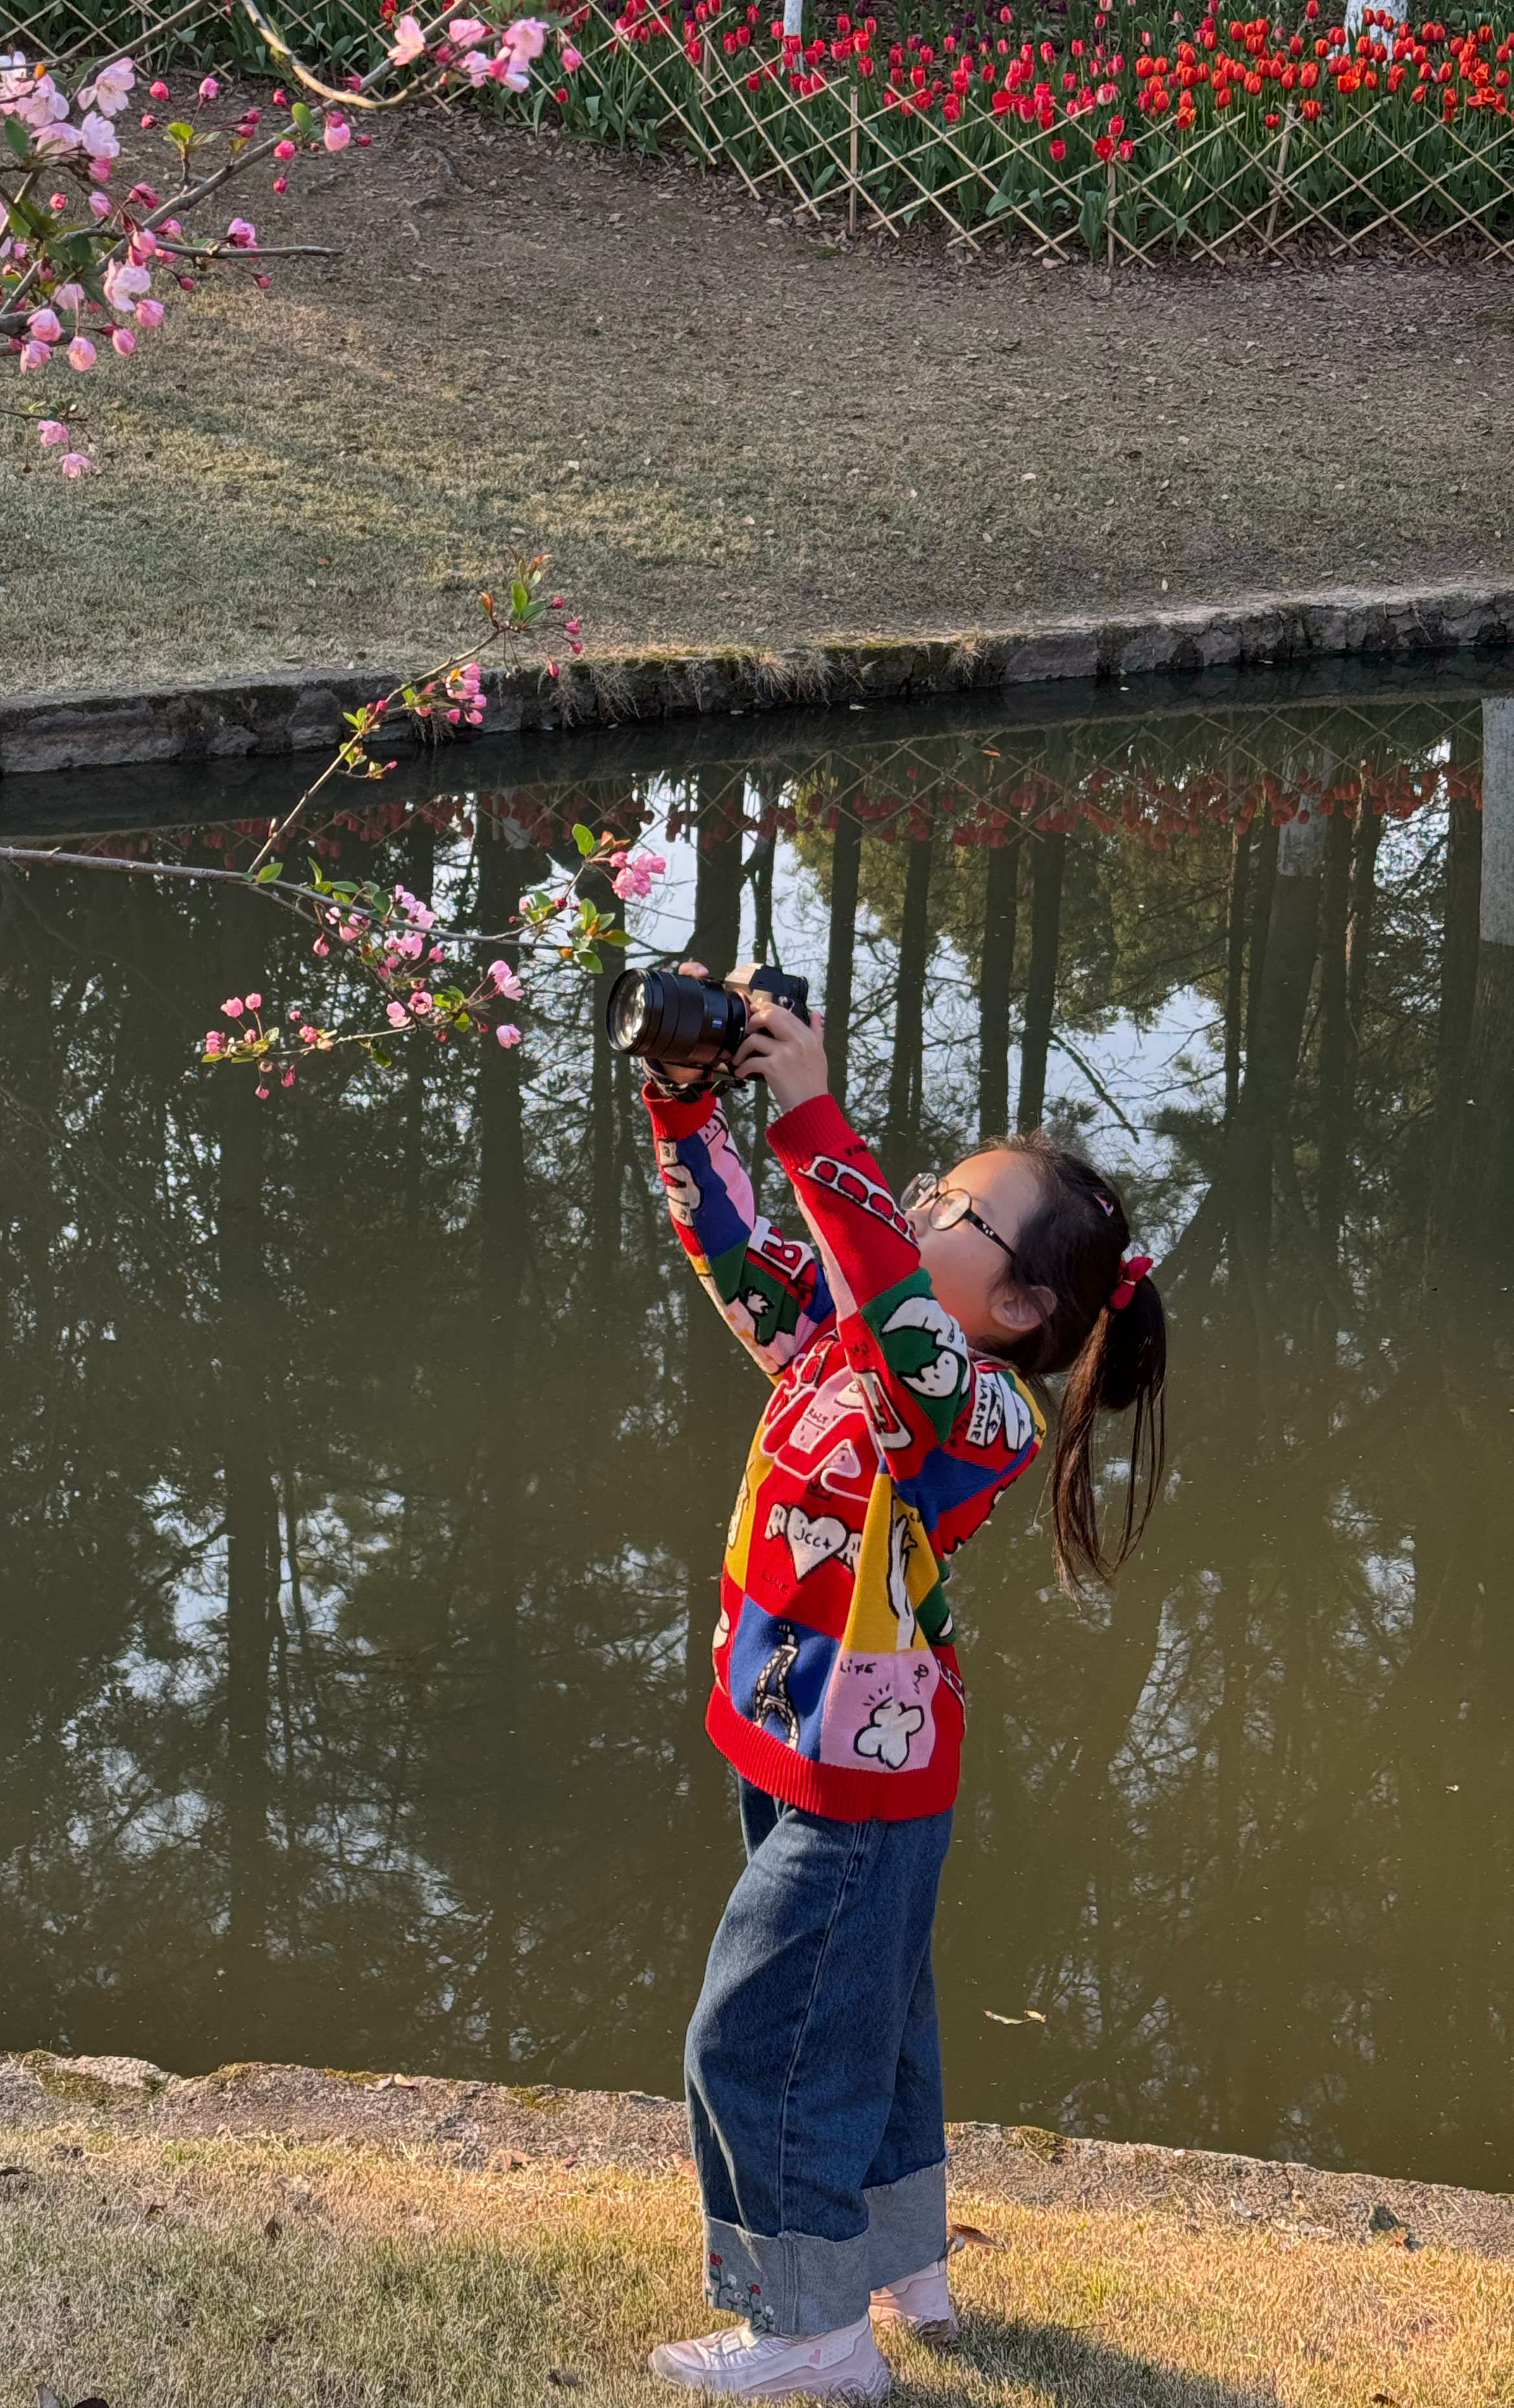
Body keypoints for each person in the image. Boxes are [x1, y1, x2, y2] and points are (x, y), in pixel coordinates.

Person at [640, 965, 1168, 2401]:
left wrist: (815, 1115)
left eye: (958, 1211)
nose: (922, 1208)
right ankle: (903, 2266)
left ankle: (811, 2339)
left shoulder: (975, 1403)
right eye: (926, 1188)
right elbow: (740, 1251)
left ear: (1020, 1304)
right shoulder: (844, 1332)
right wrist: (689, 1107)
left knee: (756, 2038)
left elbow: (882, 1287)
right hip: (791, 1735)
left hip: (861, 1775)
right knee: (864, 2010)